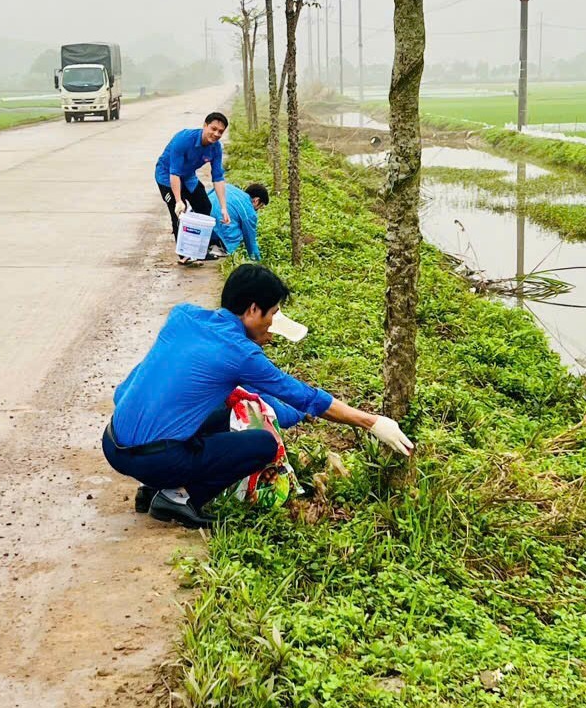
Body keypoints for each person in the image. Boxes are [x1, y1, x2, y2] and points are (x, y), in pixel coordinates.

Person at [101, 264, 414, 529]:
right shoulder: (241, 354)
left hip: (113, 442)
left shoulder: (183, 316)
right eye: (273, 313)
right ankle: (175, 496)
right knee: (263, 444)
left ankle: (154, 484)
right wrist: (371, 422)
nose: (273, 323)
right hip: (153, 456)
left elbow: (127, 391)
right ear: (252, 309)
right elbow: (303, 396)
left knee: (224, 415)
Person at [154, 112, 230, 244]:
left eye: (220, 132)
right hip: (167, 176)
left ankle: (198, 246)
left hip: (188, 176)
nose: (216, 134)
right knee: (179, 213)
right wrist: (178, 201)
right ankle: (184, 253)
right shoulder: (183, 140)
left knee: (204, 206)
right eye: (213, 129)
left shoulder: (216, 148)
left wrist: (224, 208)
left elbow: (218, 178)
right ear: (205, 126)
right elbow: (174, 173)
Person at [206, 182, 268, 261]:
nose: (257, 210)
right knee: (238, 233)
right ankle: (220, 248)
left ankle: (210, 243)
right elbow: (250, 238)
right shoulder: (249, 211)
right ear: (256, 200)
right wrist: (256, 259)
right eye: (260, 206)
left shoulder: (228, 187)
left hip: (202, 218)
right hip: (217, 224)